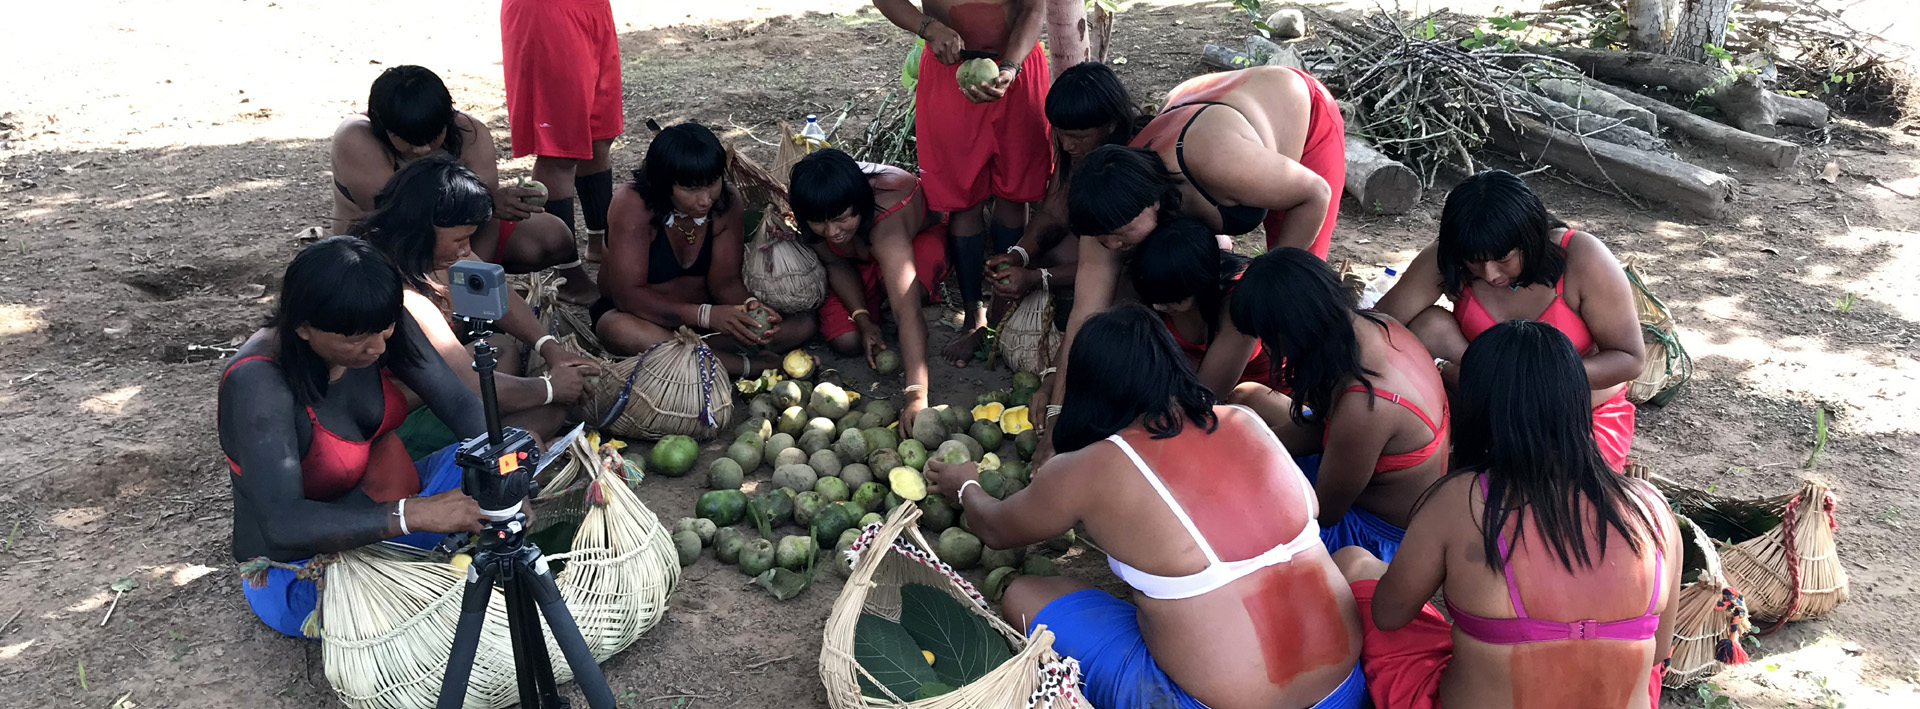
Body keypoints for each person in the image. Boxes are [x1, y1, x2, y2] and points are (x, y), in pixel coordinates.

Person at [924, 303, 1368, 709]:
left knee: (1024, 594)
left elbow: (997, 529)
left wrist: (966, 487)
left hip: (1212, 702)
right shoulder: (1244, 420)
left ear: (1089, 386)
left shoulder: (1092, 467)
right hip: (1344, 689)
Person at [1336, 320, 1679, 709]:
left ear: (1480, 407)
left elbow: (1389, 614)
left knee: (1354, 563)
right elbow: (1660, 650)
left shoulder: (1461, 500)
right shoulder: (1652, 509)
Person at [219, 236, 490, 637]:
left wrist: (503, 467)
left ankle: (435, 545)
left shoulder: (377, 322)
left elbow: (457, 402)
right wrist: (414, 515)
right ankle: (432, 550)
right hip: (302, 573)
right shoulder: (258, 384)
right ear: (303, 328)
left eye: (385, 331)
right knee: (418, 614)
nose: (378, 348)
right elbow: (283, 524)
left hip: (389, 506)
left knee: (508, 453)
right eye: (356, 340)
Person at [1375, 170, 1644, 471]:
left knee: (1550, 496)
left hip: (1570, 411)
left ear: (1531, 239)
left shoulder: (1583, 258)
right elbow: (1377, 327)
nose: (1490, 274)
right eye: (1474, 260)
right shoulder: (1450, 257)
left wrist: (1526, 382)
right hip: (1484, 407)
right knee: (1429, 327)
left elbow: (1629, 359)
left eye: (1504, 259)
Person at [351, 156, 602, 452]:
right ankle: (450, 453)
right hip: (377, 418)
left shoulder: (408, 248)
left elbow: (495, 292)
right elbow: (467, 384)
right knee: (549, 413)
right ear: (424, 227)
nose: (466, 249)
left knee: (500, 348)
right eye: (460, 239)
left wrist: (549, 347)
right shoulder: (405, 297)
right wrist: (549, 389)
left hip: (416, 390)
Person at [1225, 248, 1449, 562]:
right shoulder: (1376, 326)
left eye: (1267, 338)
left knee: (1229, 513)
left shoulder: (1366, 405)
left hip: (1368, 534)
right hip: (1351, 471)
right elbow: (1321, 428)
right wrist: (1250, 450)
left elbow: (1325, 512)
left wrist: (1249, 468)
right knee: (1246, 402)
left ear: (1290, 333)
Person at [873, 0, 1052, 365]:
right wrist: (929, 28)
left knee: (1014, 196)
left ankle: (1004, 309)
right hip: (949, 75)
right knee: (963, 201)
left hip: (1016, 69)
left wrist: (1012, 67)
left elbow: (1034, 8)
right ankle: (974, 315)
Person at [330, 65, 598, 304]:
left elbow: (482, 218)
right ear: (383, 127)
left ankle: (465, 293)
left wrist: (488, 213)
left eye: (432, 137)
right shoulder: (355, 138)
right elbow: (399, 219)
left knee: (552, 236)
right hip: (386, 246)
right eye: (408, 141)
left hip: (456, 245)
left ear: (448, 119)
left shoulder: (470, 132)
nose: (422, 148)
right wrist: (487, 204)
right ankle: (450, 296)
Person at [592, 122, 812, 376]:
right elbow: (627, 296)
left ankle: (693, 356)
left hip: (703, 327)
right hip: (640, 319)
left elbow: (725, 282)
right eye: (691, 189)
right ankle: (743, 366)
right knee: (619, 330)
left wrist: (750, 308)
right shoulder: (632, 204)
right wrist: (707, 315)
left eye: (712, 183)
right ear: (664, 184)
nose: (706, 199)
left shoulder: (726, 203)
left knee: (802, 325)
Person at [1063, 64, 1347, 256]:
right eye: (1104, 240)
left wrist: (1270, 278)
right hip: (1193, 100)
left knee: (1294, 283)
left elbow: (1314, 194)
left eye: (1120, 234)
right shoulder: (1106, 207)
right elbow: (1091, 304)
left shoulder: (1219, 162)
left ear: (1152, 201)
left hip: (1295, 107)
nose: (1113, 245)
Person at [791, 149, 948, 432]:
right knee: (847, 340)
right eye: (820, 223)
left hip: (914, 241)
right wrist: (863, 319)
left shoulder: (885, 220)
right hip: (858, 257)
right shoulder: (811, 209)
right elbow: (834, 262)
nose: (831, 232)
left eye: (841, 219)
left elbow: (908, 312)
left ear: (860, 205)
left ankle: (884, 291)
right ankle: (874, 301)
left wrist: (916, 395)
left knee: (907, 293)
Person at [980, 61, 1139, 336]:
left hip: (1129, 255)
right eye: (1060, 134)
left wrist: (1037, 279)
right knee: (1036, 256)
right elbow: (1054, 213)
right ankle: (991, 334)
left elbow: (1119, 254)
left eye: (1078, 137)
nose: (1066, 146)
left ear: (1112, 125)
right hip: (1093, 245)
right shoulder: (1073, 152)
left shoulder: (1134, 158)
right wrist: (1018, 255)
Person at [500, 0, 623, 263]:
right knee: (560, 151)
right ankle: (567, 271)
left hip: (593, 8)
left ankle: (601, 244)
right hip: (547, 11)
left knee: (599, 136)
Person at [1130, 217, 1270, 393]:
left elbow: (1208, 395)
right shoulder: (1156, 281)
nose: (1158, 306)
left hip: (1265, 395)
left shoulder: (1240, 301)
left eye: (1171, 298)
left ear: (1201, 284)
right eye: (1153, 297)